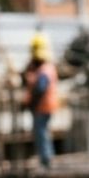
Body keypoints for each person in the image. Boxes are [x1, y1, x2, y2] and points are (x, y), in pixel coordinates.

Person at [20, 34, 60, 169]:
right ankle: (46, 158)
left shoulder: (44, 70)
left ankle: (46, 160)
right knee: (43, 133)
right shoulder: (44, 67)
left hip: (43, 107)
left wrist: (29, 102)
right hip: (45, 106)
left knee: (41, 133)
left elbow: (40, 88)